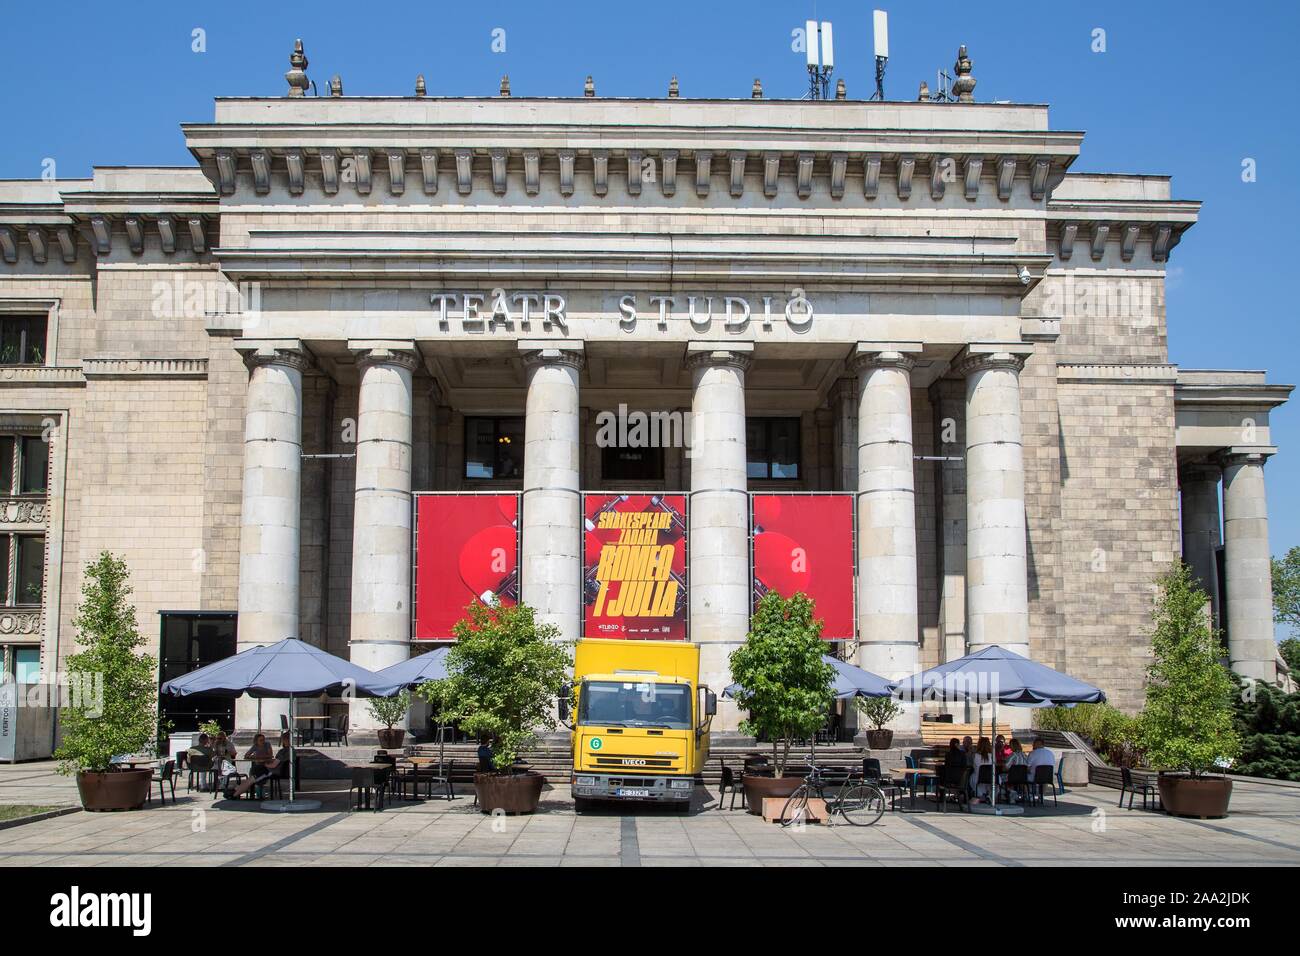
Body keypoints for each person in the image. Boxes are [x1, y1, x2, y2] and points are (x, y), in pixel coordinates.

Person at [228, 732, 290, 800]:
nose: (263, 741)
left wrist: (265, 763)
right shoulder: (287, 751)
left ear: (286, 740)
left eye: (283, 739)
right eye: (261, 740)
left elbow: (273, 765)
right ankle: (235, 792)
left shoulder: (283, 751)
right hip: (267, 769)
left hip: (271, 771)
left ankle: (234, 793)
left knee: (251, 780)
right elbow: (247, 755)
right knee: (251, 777)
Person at [970, 737, 993, 802]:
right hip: (990, 778)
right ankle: (988, 795)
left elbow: (972, 765)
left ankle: (980, 796)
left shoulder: (975, 755)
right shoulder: (992, 756)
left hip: (978, 778)